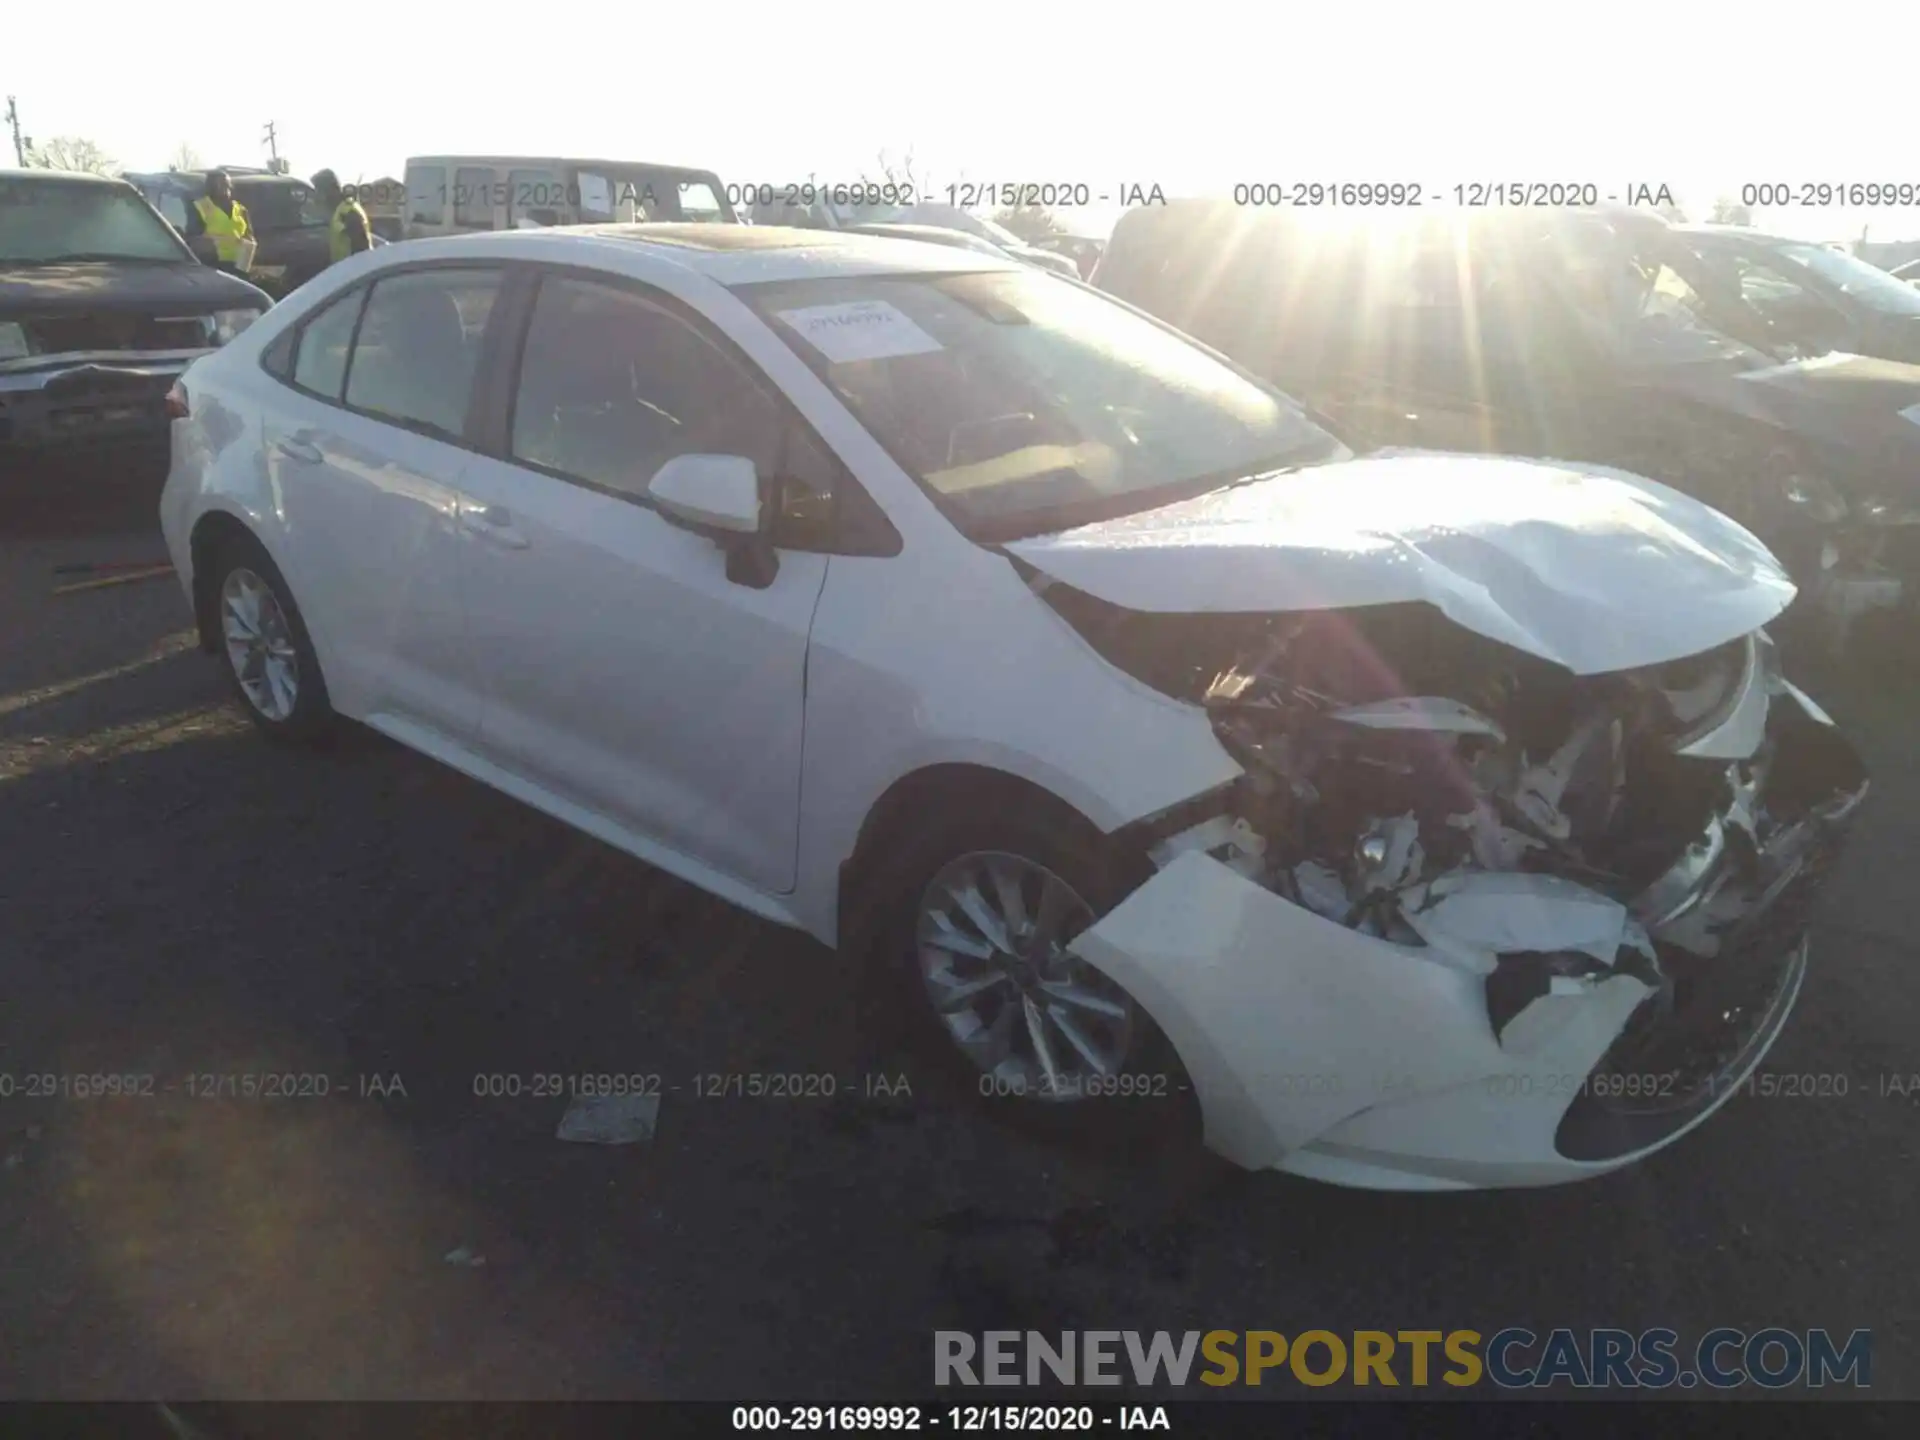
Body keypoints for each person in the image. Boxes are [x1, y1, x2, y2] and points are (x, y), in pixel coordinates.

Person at [184, 170, 253, 274]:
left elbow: (250, 238)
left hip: (239, 267)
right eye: (222, 184)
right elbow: (193, 240)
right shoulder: (200, 207)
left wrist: (246, 264)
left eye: (228, 184)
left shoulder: (241, 209)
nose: (227, 187)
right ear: (211, 187)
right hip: (213, 266)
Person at [311, 169, 371, 266]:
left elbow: (362, 250)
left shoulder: (348, 213)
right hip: (342, 273)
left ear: (329, 191)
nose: (317, 197)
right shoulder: (338, 212)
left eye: (318, 191)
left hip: (354, 273)